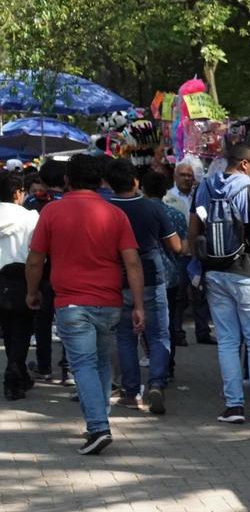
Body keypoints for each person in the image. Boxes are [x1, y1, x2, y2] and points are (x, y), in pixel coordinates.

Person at [25, 154, 145, 455]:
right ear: (102, 180)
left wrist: (32, 291)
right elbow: (132, 263)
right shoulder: (115, 214)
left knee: (83, 365)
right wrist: (139, 304)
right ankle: (99, 420)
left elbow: (35, 259)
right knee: (101, 362)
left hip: (71, 302)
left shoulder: (52, 212)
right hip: (110, 301)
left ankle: (98, 426)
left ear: (67, 179)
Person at [190, 141, 250, 424]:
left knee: (228, 342)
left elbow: (193, 232)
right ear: (244, 164)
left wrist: (200, 266)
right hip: (248, 273)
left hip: (215, 274)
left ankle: (232, 407)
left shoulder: (204, 188)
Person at [105, 158, 181, 415]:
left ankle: (130, 392)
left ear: (109, 183)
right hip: (152, 276)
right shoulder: (153, 208)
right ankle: (157, 383)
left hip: (118, 280)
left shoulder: (105, 209)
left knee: (125, 337)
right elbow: (175, 246)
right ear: (135, 181)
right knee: (158, 334)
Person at [143, 169, 190, 374]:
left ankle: (153, 359)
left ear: (143, 188)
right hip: (170, 274)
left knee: (144, 319)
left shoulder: (137, 212)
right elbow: (182, 247)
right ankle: (166, 365)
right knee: (168, 321)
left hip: (142, 273)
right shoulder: (175, 214)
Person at [26, 158, 66, 382]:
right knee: (69, 318)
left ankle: (44, 366)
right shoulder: (72, 202)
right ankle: (68, 367)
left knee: (42, 319)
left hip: (41, 268)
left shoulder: (33, 202)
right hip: (68, 268)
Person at [0, 172, 39, 400]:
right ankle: (14, 373)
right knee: (22, 330)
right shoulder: (31, 218)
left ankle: (18, 371)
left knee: (8, 329)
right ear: (17, 193)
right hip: (23, 278)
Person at [165, 161, 213, 345]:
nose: (186, 178)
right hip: (178, 254)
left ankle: (203, 331)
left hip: (197, 252)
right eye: (183, 175)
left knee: (200, 293)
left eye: (189, 175)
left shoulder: (199, 194)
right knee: (180, 296)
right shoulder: (168, 198)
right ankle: (177, 332)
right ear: (175, 177)